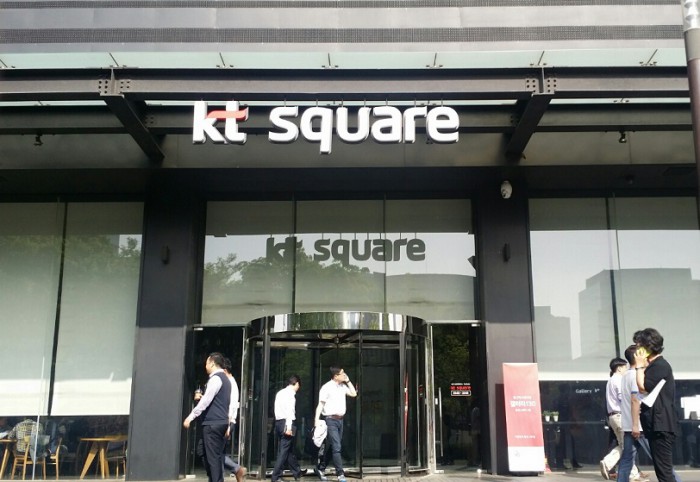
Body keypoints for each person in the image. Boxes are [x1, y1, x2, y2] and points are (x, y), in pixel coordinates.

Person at [634, 328, 679, 482]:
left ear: (648, 346)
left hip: (661, 424)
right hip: (656, 424)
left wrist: (639, 366)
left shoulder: (660, 365)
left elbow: (643, 387)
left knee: (665, 473)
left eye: (639, 345)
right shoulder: (655, 365)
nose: (637, 350)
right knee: (663, 471)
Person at [184, 352, 232, 482]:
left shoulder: (216, 379)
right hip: (218, 422)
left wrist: (191, 416)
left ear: (212, 363)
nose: (205, 366)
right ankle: (213, 478)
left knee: (213, 458)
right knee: (204, 451)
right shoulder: (225, 380)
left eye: (206, 363)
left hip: (213, 423)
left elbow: (206, 401)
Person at [313, 366, 357, 482]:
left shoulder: (342, 386)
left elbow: (353, 394)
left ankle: (320, 468)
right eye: (342, 373)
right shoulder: (326, 387)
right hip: (330, 420)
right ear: (336, 376)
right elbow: (320, 405)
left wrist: (348, 381)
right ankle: (340, 473)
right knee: (337, 447)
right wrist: (316, 420)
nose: (344, 375)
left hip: (340, 420)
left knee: (334, 446)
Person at [601, 357, 642, 480]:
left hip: (614, 416)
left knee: (625, 444)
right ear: (619, 368)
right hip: (620, 415)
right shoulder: (619, 380)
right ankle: (632, 475)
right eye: (625, 367)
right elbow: (622, 398)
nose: (626, 369)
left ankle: (609, 462)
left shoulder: (611, 380)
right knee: (627, 446)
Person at [272, 375, 302, 482]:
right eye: (298, 385)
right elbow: (290, 412)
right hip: (287, 423)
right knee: (284, 451)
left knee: (288, 449)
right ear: (296, 383)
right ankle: (275, 477)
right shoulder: (290, 395)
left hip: (279, 422)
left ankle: (297, 472)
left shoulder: (280, 393)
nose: (298, 387)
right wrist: (289, 427)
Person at [222, 357, 246, 481]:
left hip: (227, 421)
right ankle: (236, 469)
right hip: (227, 421)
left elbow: (231, 405)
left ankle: (236, 469)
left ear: (225, 370)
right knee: (217, 453)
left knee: (216, 453)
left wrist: (227, 425)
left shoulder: (230, 384)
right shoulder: (230, 383)